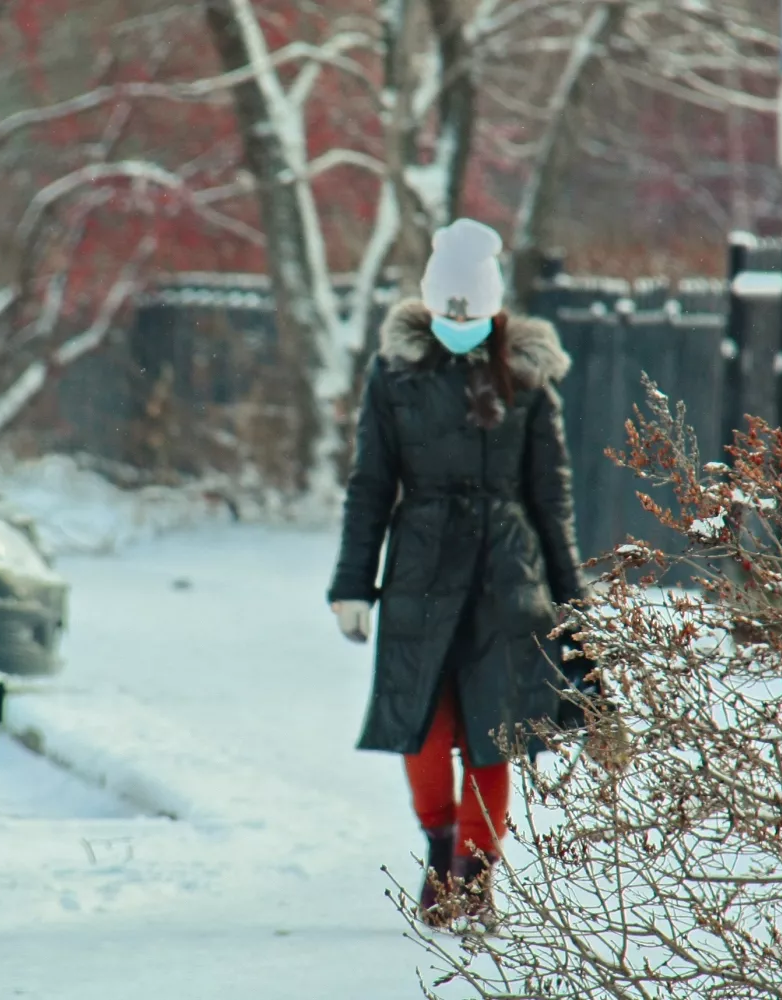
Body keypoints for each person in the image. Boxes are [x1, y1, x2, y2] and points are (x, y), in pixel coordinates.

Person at [327, 218, 589, 930]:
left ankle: (475, 874)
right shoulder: (397, 375)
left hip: (508, 575)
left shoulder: (528, 376)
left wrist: (572, 600)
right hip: (419, 567)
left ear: (493, 309)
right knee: (421, 722)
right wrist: (352, 585)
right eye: (448, 311)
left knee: (491, 729)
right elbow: (371, 482)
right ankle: (441, 844)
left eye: (471, 314)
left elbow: (551, 497)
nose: (459, 325)